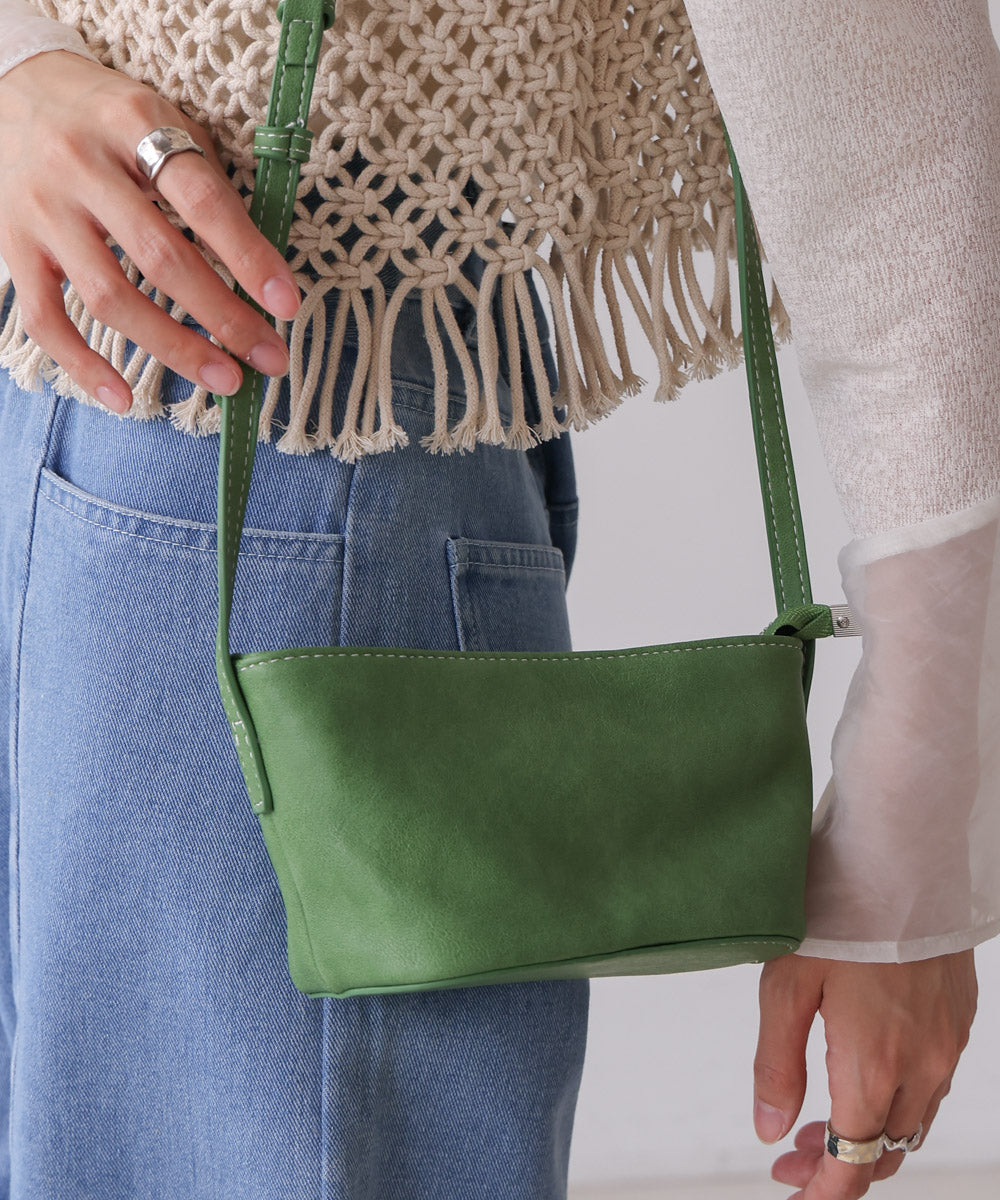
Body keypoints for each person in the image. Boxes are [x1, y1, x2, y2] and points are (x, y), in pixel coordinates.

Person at [0, 2, 994, 1198]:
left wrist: (911, 849)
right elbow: (891, 166)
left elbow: (886, 164)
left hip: (284, 413)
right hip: (160, 385)